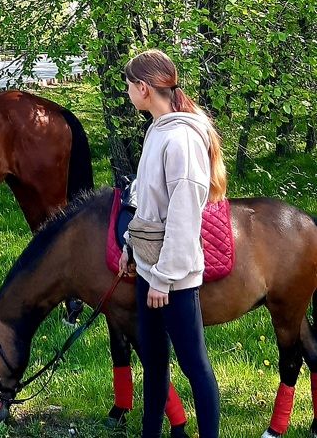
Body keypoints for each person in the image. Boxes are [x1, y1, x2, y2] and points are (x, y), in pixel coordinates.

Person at [119, 49, 227, 438]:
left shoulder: (181, 139)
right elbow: (148, 204)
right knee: (153, 363)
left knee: (194, 365)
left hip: (174, 279)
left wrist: (164, 278)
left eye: (129, 86)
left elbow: (184, 217)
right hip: (149, 270)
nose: (127, 93)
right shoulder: (157, 129)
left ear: (143, 88)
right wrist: (130, 247)